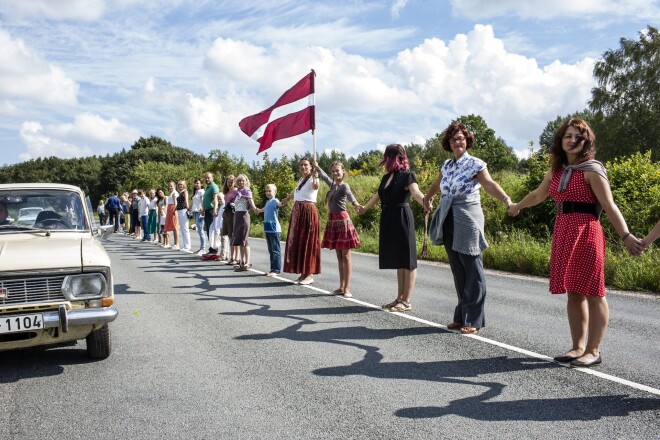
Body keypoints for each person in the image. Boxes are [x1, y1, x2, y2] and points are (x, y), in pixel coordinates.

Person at [508, 118, 643, 368]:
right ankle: (577, 347)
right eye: (567, 136)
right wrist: (517, 206)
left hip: (587, 231)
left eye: (577, 137)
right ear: (560, 140)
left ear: (586, 142)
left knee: (593, 291)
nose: (572, 141)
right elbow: (538, 195)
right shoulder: (556, 171)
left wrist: (626, 236)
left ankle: (593, 350)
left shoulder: (592, 169)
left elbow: (609, 205)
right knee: (573, 291)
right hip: (563, 230)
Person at [424, 123, 512, 334]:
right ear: (449, 143)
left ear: (467, 140)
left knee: (472, 268)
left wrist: (506, 199)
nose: (458, 142)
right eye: (454, 139)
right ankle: (461, 315)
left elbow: (489, 184)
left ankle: (473, 320)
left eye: (461, 138)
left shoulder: (475, 164)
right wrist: (428, 197)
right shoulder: (447, 165)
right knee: (458, 269)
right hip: (448, 216)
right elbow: (438, 184)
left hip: (468, 217)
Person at [358, 144, 427, 312]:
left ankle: (406, 301)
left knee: (407, 259)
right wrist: (364, 208)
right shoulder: (386, 178)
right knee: (399, 259)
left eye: (387, 156)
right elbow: (378, 195)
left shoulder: (408, 176)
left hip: (402, 216)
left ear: (392, 157)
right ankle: (399, 298)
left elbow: (416, 193)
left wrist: (425, 201)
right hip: (388, 217)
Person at [316, 161, 362, 297]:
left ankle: (347, 288)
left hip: (342, 221)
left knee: (346, 255)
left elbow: (350, 196)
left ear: (343, 172)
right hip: (333, 222)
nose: (335, 173)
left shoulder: (344, 186)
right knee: (338, 256)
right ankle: (341, 286)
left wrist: (356, 204)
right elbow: (323, 176)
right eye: (333, 171)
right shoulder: (332, 185)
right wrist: (317, 167)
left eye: (338, 171)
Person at [280, 157, 321, 285]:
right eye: (301, 165)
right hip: (298, 210)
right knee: (300, 241)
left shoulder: (313, 178)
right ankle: (303, 273)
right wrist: (286, 200)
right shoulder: (301, 180)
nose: (303, 167)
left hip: (308, 211)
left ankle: (309, 274)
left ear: (310, 166)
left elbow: (315, 186)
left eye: (306, 165)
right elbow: (295, 192)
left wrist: (315, 175)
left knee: (308, 241)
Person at [254, 184, 283, 277]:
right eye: (266, 191)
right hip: (268, 229)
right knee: (271, 251)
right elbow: (264, 209)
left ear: (275, 192)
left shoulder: (275, 201)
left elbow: (279, 205)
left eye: (270, 191)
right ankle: (272, 269)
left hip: (274, 229)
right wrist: (258, 210)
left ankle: (276, 270)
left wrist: (284, 202)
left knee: (275, 250)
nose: (268, 193)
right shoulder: (268, 202)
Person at [232, 174, 257, 271]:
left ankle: (247, 262)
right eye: (239, 181)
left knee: (244, 240)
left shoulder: (247, 190)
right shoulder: (237, 191)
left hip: (243, 216)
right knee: (239, 241)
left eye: (243, 180)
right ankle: (242, 262)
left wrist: (255, 209)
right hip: (237, 216)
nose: (241, 182)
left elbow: (251, 201)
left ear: (246, 181)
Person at [201, 172, 221, 256]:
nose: (207, 179)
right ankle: (211, 249)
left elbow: (215, 199)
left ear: (212, 178)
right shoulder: (207, 187)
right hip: (207, 211)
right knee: (209, 230)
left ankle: (214, 250)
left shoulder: (213, 186)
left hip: (211, 211)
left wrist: (215, 209)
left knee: (212, 231)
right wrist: (203, 208)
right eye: (205, 178)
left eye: (208, 178)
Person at [220, 175, 237, 264]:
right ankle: (232, 257)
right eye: (228, 182)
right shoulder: (226, 191)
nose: (230, 183)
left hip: (232, 214)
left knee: (232, 235)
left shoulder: (236, 191)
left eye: (231, 182)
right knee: (228, 235)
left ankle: (234, 257)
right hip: (226, 214)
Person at [176, 180, 192, 253]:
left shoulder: (185, 192)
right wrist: (174, 210)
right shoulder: (180, 193)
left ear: (184, 185)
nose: (180, 186)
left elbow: (186, 201)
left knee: (185, 229)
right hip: (179, 211)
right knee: (182, 229)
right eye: (179, 184)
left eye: (181, 184)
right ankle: (185, 245)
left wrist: (188, 208)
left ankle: (188, 246)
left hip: (183, 210)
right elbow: (178, 203)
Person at [191, 178, 206, 255]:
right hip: (195, 211)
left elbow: (203, 201)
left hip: (200, 212)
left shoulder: (202, 191)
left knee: (200, 230)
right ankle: (201, 248)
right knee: (199, 230)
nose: (196, 184)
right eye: (195, 183)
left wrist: (202, 210)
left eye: (198, 183)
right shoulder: (196, 192)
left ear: (201, 184)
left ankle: (203, 249)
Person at [164, 181, 180, 250]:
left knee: (175, 227)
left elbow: (175, 203)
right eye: (169, 186)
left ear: (174, 186)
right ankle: (175, 243)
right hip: (170, 209)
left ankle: (177, 244)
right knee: (173, 227)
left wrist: (174, 211)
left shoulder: (174, 193)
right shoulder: (171, 193)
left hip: (173, 209)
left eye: (171, 186)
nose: (170, 187)